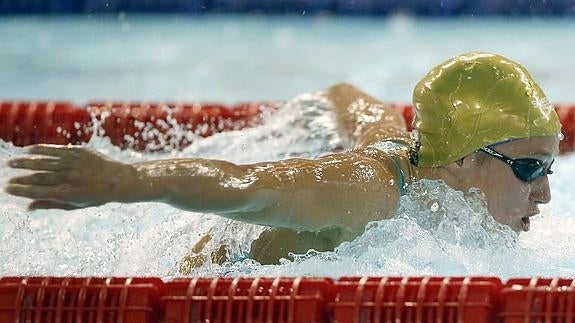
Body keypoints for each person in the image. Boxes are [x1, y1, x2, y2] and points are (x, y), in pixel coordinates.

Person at [4, 52, 561, 268]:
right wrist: (123, 180)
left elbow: (350, 99)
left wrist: (328, 100)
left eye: (549, 169)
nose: (545, 195)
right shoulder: (367, 187)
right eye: (530, 168)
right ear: (462, 160)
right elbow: (243, 187)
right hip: (210, 285)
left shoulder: (418, 156)